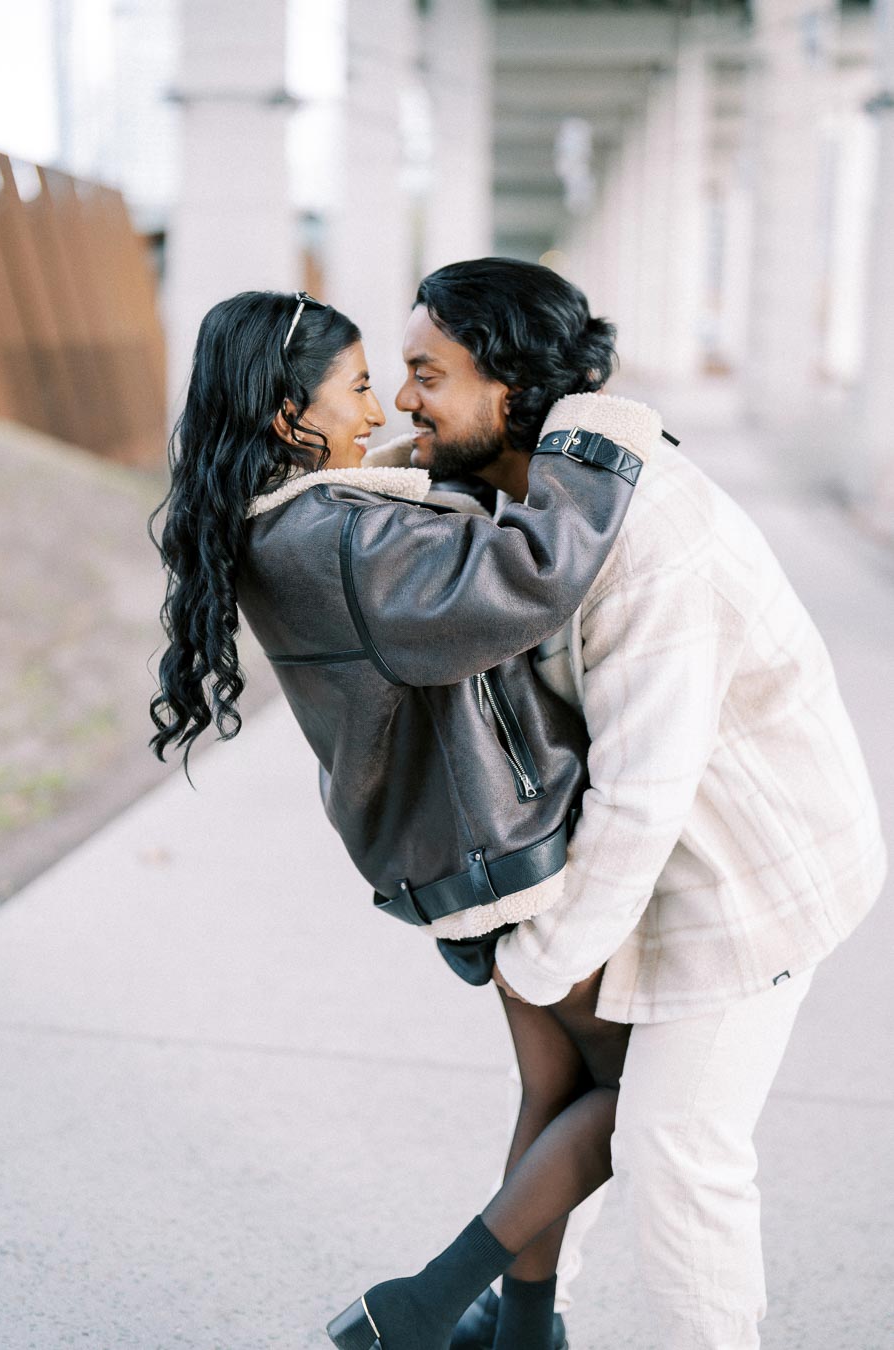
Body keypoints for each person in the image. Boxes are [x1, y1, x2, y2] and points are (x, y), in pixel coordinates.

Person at [373, 257, 886, 1350]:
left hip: (753, 875)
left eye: (427, 372)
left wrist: (540, 962)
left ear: (512, 388)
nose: (403, 395)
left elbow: (646, 800)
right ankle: (516, 1325)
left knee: (676, 1147)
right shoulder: (526, 482)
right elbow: (390, 487)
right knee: (579, 1087)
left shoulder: (647, 542)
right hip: (656, 864)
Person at [148, 287, 653, 1350]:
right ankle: (423, 1305)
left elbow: (381, 517)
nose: (379, 415)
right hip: (510, 850)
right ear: (292, 421)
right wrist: (596, 442)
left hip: (462, 851)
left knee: (556, 1089)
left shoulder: (295, 524)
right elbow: (529, 575)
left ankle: (522, 1335)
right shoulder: (332, 543)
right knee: (648, 1089)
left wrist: (407, 472)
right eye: (362, 389)